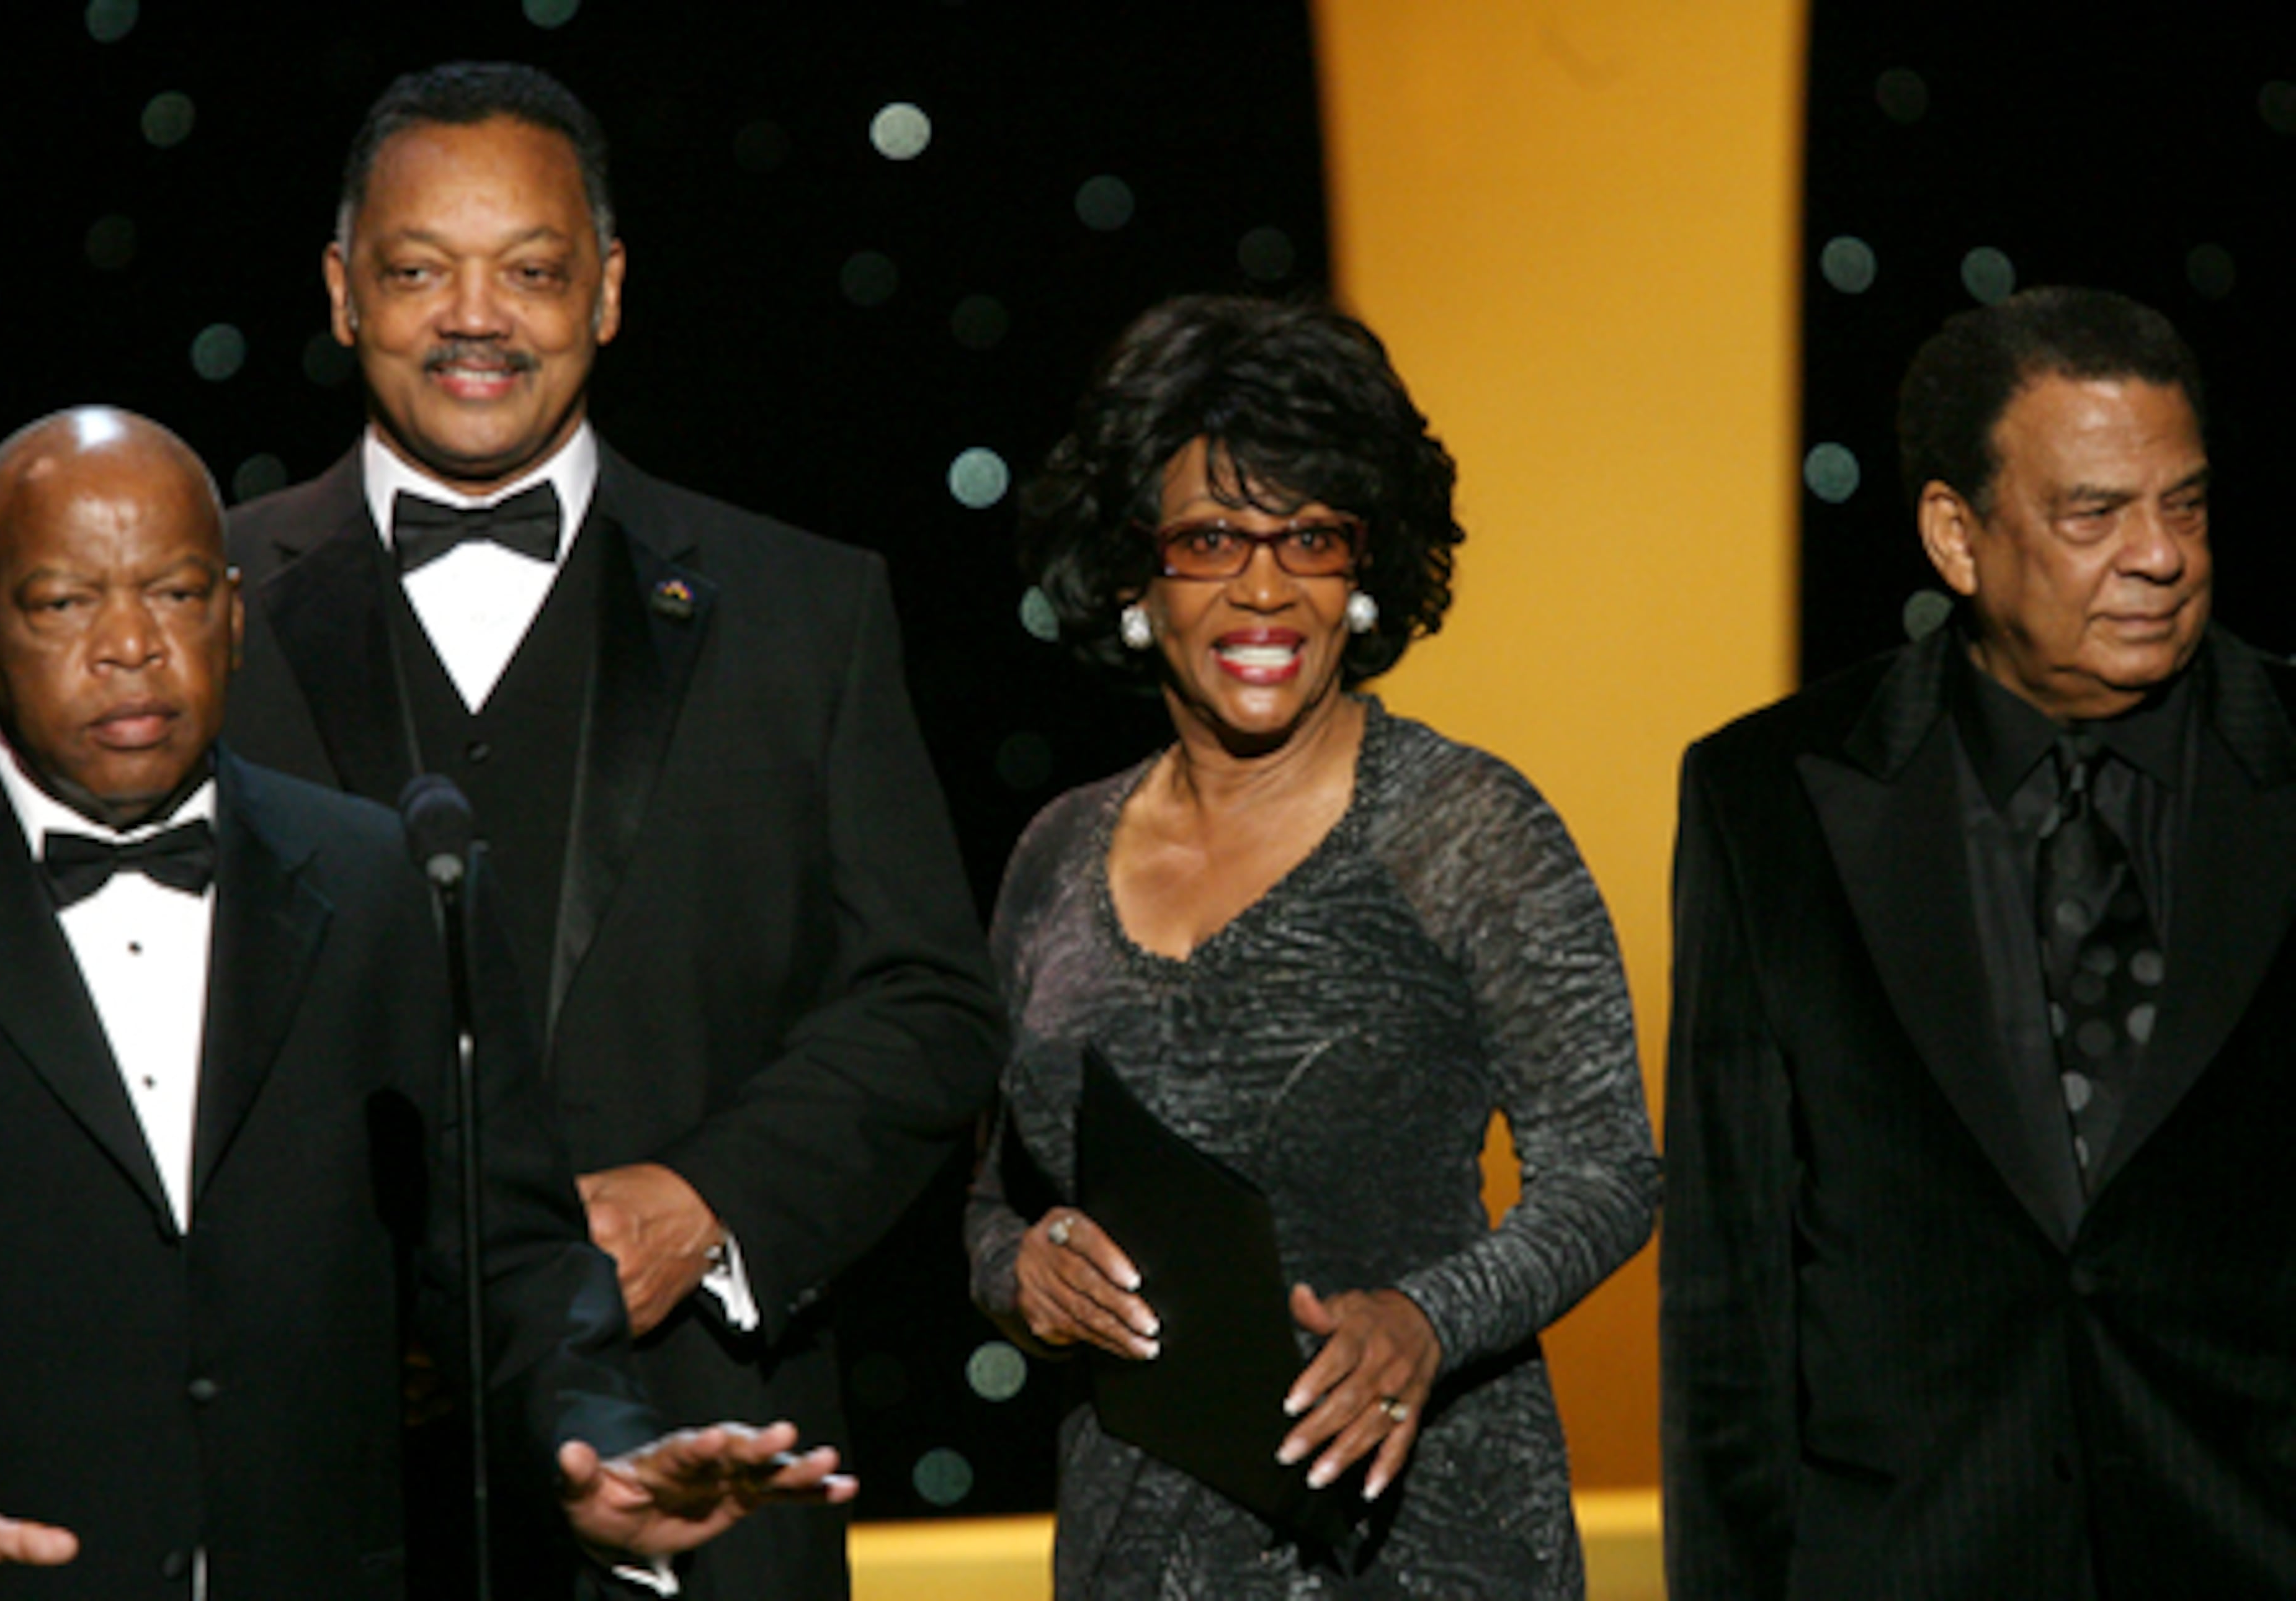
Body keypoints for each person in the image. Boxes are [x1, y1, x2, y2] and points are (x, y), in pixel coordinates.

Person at [218, 61, 1003, 1600]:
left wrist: (706, 1202)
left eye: (530, 270)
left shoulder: (804, 609)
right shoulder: (200, 615)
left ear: (610, 289)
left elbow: (927, 1001)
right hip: (318, 1481)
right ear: (339, 291)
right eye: (417, 269)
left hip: (703, 1462)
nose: (475, 316)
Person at [0, 406, 854, 1600]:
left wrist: (602, 1445)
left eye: (177, 594)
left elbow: (510, 1254)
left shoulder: (385, 885)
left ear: (238, 614)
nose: (131, 646)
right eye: (63, 603)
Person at [965, 294, 1660, 1597]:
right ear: (1131, 573)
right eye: (1212, 538)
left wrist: (1424, 1322)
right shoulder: (1056, 858)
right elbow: (992, 1199)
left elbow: (1610, 1170)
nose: (1268, 586)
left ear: (1367, 567)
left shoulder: (1463, 829)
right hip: (1136, 1548)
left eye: (1314, 539)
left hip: (1427, 1541)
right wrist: (1025, 1274)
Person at [1661, 286, 2296, 1597]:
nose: (2162, 556)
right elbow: (1733, 1290)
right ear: (1956, 535)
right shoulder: (1766, 798)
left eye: (2184, 504)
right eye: (2094, 513)